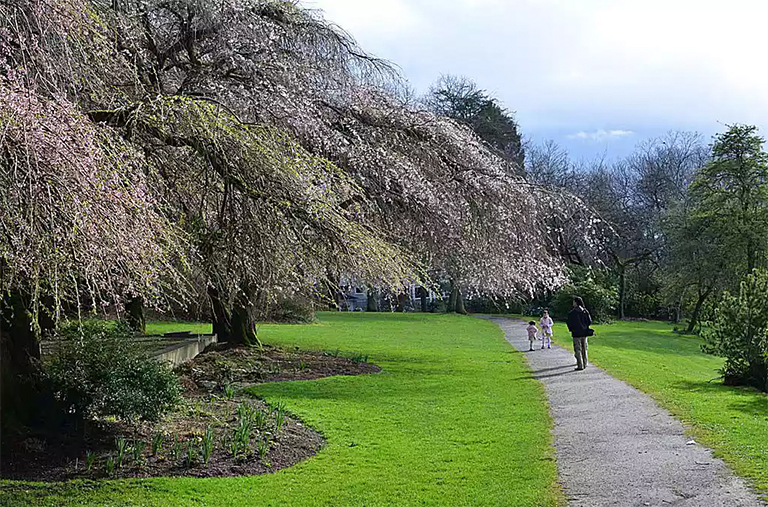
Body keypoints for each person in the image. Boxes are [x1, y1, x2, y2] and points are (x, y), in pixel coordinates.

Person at [566, 297, 592, 370]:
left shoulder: (572, 313)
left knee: (578, 349)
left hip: (576, 333)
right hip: (584, 333)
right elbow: (589, 321)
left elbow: (569, 323)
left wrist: (572, 329)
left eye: (574, 302)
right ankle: (585, 363)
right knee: (584, 349)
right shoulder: (585, 311)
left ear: (576, 302)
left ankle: (580, 365)